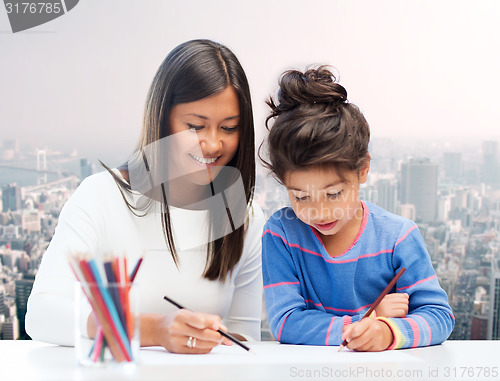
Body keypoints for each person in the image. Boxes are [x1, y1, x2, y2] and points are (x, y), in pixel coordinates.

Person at [25, 39, 265, 354]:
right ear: (162, 119)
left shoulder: (245, 216)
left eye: (229, 128)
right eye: (195, 127)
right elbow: (42, 315)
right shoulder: (102, 196)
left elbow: (243, 338)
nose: (213, 144)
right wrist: (153, 330)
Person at [260, 66, 454, 351]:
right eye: (300, 197)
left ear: (363, 170)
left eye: (334, 194)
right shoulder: (281, 235)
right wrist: (367, 319)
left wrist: (388, 332)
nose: (320, 212)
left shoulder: (398, 237)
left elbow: (439, 317)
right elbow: (286, 322)